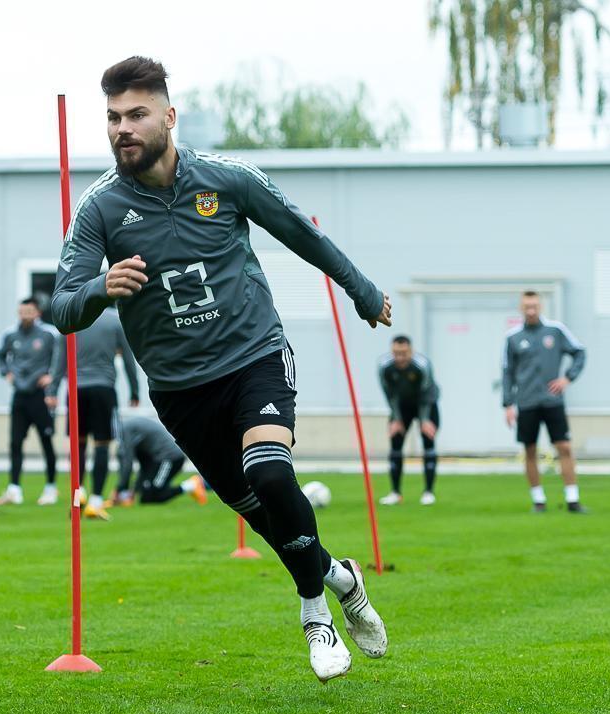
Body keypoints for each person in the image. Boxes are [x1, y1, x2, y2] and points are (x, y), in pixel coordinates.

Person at [51, 56, 389, 682]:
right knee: (260, 513)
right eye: (113, 118)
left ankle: (315, 614)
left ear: (169, 117)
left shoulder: (226, 179)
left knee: (271, 473)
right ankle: (342, 579)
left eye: (136, 114)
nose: (123, 128)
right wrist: (101, 287)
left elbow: (302, 233)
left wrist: (361, 290)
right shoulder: (99, 208)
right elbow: (62, 308)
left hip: (253, 355)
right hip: (180, 391)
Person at [502, 291, 587, 513]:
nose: (531, 311)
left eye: (534, 306)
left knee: (564, 447)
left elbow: (579, 352)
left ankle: (572, 499)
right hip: (527, 402)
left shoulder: (555, 330)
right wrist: (508, 404)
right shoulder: (513, 337)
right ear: (521, 308)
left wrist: (567, 378)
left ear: (540, 307)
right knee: (530, 450)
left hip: (552, 401)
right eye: (527, 307)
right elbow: (507, 372)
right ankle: (538, 500)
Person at [0, 297, 63, 506]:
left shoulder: (49, 334)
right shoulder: (10, 334)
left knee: (46, 441)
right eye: (22, 312)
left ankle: (50, 488)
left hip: (41, 396)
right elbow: (0, 355)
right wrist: (6, 372)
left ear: (37, 313)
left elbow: (61, 359)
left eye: (29, 312)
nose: (25, 316)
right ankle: (14, 489)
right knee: (15, 443)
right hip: (20, 396)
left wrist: (51, 378)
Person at [69, 306, 139, 520]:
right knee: (102, 444)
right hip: (103, 388)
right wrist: (134, 390)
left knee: (79, 443)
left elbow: (61, 356)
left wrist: (53, 389)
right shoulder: (115, 320)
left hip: (76, 388)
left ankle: (79, 493)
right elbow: (128, 357)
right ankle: (96, 501)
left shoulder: (74, 318)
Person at [377, 335, 440, 506]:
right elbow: (389, 394)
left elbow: (426, 393)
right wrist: (396, 419)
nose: (400, 358)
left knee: (428, 441)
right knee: (395, 441)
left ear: (411, 351)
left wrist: (424, 420)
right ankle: (395, 493)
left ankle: (428, 492)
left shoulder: (422, 365)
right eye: (396, 353)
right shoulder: (384, 366)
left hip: (426, 404)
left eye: (404, 354)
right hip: (402, 405)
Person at [115, 415, 206, 505]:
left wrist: (120, 489)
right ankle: (189, 486)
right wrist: (134, 491)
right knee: (146, 497)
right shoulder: (129, 429)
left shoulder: (125, 430)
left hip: (170, 457)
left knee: (153, 495)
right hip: (159, 459)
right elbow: (145, 466)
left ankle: (192, 485)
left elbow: (127, 463)